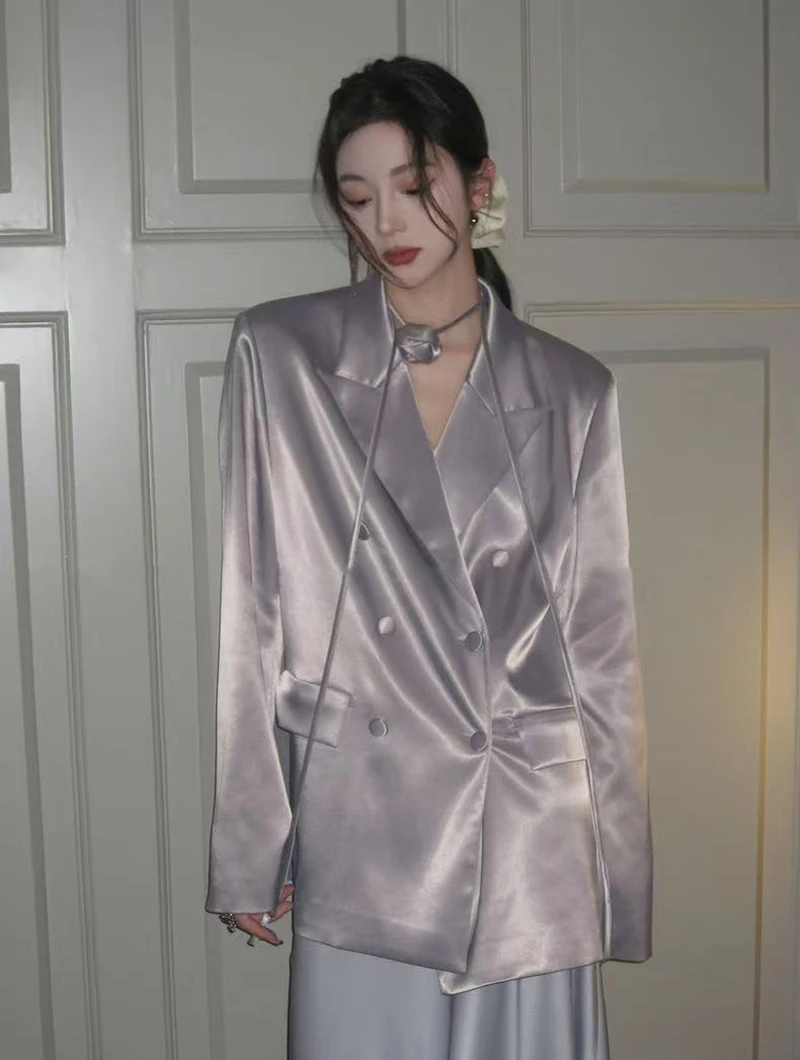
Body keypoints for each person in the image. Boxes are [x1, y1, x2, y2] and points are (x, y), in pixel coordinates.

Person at [205, 55, 653, 1060]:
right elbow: (253, 613)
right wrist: (249, 845)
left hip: (527, 835)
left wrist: (617, 879)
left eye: (415, 186)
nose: (387, 223)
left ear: (479, 184)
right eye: (358, 197)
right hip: (362, 820)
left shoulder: (573, 390)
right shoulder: (281, 355)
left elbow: (600, 651)